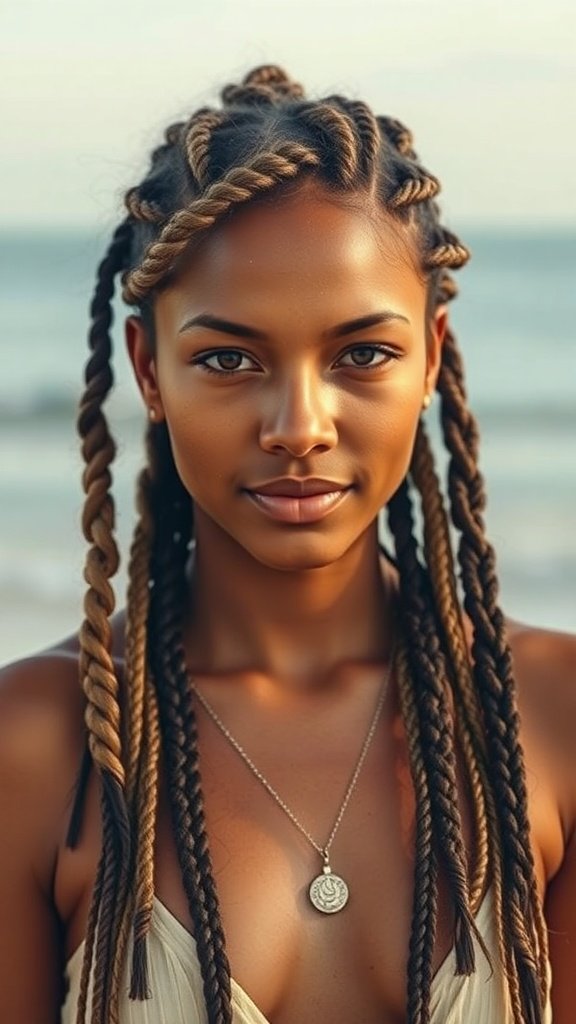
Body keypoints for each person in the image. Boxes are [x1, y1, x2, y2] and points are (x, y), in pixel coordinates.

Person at [0, 63, 574, 1024]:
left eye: (362, 354)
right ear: (148, 369)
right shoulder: (37, 747)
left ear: (431, 355)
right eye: (228, 359)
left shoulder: (550, 719)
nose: (298, 425)